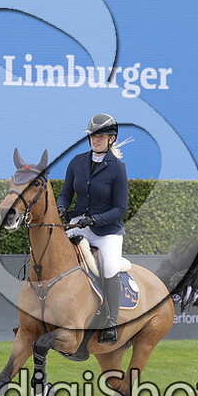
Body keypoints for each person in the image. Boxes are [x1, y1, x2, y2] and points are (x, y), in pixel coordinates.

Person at [57, 113, 128, 345]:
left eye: (100, 136)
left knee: (109, 268)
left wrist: (96, 220)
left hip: (107, 231)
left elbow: (120, 208)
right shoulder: (77, 162)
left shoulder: (117, 168)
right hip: (78, 224)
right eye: (93, 136)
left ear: (111, 139)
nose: (95, 140)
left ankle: (111, 323)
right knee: (51, 253)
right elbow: (66, 194)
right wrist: (61, 207)